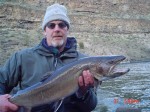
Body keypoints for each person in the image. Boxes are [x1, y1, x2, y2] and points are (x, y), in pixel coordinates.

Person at [0, 3, 98, 112]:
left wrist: (83, 94)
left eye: (62, 25)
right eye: (51, 25)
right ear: (44, 31)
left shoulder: (84, 62)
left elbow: (91, 106)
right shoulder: (22, 57)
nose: (57, 29)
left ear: (67, 29)